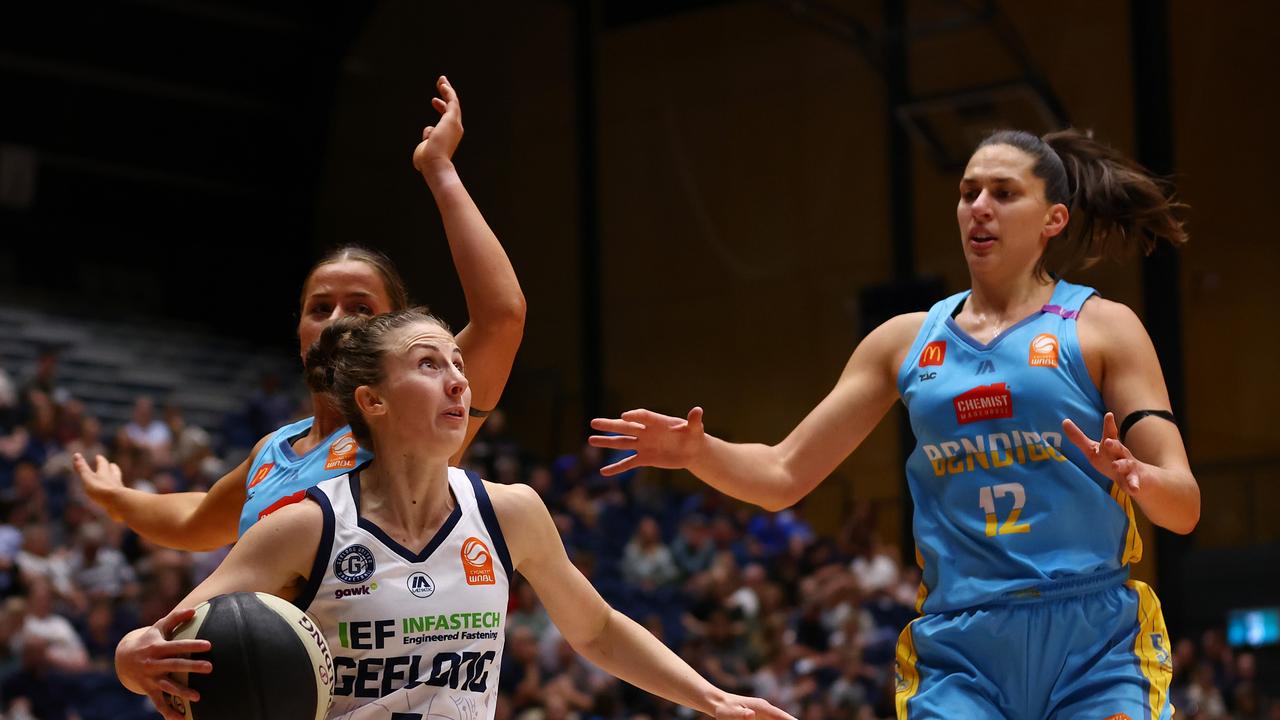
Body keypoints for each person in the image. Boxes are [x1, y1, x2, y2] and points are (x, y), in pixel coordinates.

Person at [590, 129, 1200, 719]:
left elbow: (1184, 506)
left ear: (1053, 219)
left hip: (1093, 638)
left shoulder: (1102, 327)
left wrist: (1137, 475)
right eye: (968, 193)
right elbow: (781, 475)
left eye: (1004, 193)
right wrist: (699, 452)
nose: (979, 208)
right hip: (963, 649)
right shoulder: (903, 343)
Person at [113, 309, 793, 720]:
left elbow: (598, 631)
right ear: (373, 401)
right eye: (429, 364)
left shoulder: (510, 512)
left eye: (458, 363)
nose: (459, 379)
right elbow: (170, 640)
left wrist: (711, 698)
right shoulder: (305, 526)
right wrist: (129, 655)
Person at [73, 75, 526, 551]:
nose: (336, 321)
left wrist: (439, 169)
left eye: (360, 307)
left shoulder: (408, 419)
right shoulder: (272, 452)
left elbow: (501, 316)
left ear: (396, 327)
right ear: (300, 329)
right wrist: (119, 499)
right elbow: (195, 519)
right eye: (320, 308)